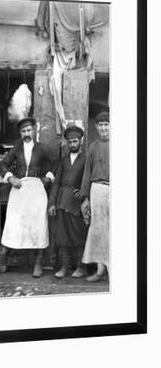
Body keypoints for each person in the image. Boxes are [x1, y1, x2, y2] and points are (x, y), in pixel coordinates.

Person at [0, 117, 55, 278]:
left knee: (38, 226)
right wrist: (10, 178)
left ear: (35, 130)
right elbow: (3, 165)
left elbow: (55, 163)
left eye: (29, 130)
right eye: (23, 131)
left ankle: (38, 264)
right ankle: (0, 263)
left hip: (37, 190)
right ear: (20, 133)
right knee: (12, 224)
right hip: (19, 189)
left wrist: (48, 178)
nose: (26, 134)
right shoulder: (16, 149)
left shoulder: (42, 148)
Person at [47, 125, 89, 278]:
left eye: (75, 141)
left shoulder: (86, 159)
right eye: (70, 142)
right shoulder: (64, 161)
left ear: (81, 141)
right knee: (62, 235)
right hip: (61, 202)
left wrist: (84, 192)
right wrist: (52, 203)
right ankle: (65, 267)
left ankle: (81, 267)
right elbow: (56, 183)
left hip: (76, 203)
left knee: (78, 234)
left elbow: (88, 179)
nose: (72, 144)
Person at [80, 111, 110, 282]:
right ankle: (100, 270)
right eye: (101, 125)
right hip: (97, 189)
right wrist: (85, 198)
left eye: (107, 124)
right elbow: (86, 173)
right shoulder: (92, 147)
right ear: (96, 127)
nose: (104, 128)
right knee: (98, 230)